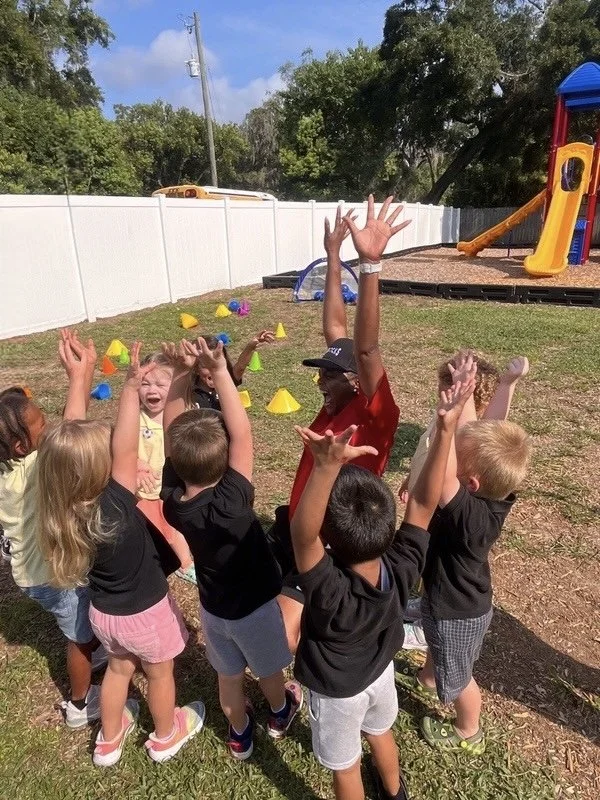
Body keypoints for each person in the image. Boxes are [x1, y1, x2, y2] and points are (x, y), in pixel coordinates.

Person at [290, 368, 477, 800]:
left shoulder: (328, 588)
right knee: (381, 734)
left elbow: (301, 535)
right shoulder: (403, 564)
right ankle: (395, 793)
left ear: (329, 538)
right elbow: (427, 502)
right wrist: (445, 429)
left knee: (347, 767)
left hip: (338, 694)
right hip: (380, 677)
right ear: (387, 521)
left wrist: (323, 469)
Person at [36, 342, 204, 767]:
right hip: (146, 613)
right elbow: (126, 447)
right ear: (102, 465)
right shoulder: (117, 501)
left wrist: (83, 377)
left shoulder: (61, 508)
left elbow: (67, 446)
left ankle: (108, 742)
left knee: (118, 669)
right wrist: (129, 388)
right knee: (159, 673)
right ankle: (167, 733)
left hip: (104, 616)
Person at [271, 197, 410, 651]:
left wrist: (369, 266)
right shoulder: (338, 398)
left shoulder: (374, 412)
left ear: (356, 380)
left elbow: (366, 350)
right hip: (304, 532)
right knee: (285, 626)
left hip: (337, 543)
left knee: (292, 638)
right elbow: (336, 326)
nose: (320, 382)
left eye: (330, 375)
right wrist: (333, 258)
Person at [160, 337, 301, 761]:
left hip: (214, 610)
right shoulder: (233, 504)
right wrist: (220, 371)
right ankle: (279, 710)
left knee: (228, 680)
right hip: (257, 609)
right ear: (225, 464)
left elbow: (173, 431)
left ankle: (239, 734)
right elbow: (242, 432)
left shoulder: (174, 501)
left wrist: (183, 374)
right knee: (270, 672)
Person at [416, 352, 531, 754]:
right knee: (440, 646)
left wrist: (449, 418)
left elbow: (444, 471)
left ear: (472, 481)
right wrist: (503, 386)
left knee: (460, 676)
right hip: (453, 599)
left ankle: (469, 729)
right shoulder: (493, 496)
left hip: (457, 611)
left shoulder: (467, 516)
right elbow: (484, 430)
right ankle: (431, 676)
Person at [0, 330, 105, 728]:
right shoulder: (34, 471)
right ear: (20, 448)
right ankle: (80, 705)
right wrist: (80, 375)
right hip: (50, 576)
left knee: (82, 612)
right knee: (78, 634)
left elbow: (66, 428)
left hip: (30, 573)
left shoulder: (8, 469)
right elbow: (74, 426)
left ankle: (92, 646)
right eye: (41, 425)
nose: (50, 427)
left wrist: (81, 376)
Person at [400, 353, 529, 498]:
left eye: (451, 398)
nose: (442, 404)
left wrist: (508, 384)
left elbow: (490, 423)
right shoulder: (441, 417)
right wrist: (410, 479)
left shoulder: (465, 441)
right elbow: (423, 456)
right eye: (440, 397)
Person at [136, 351, 196, 584]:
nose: (152, 390)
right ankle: (185, 564)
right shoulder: (136, 419)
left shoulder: (180, 416)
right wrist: (137, 464)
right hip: (148, 491)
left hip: (173, 485)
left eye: (161, 384)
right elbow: (123, 448)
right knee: (166, 530)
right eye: (145, 384)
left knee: (179, 525)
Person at [191, 330, 275, 410]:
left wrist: (251, 346)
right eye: (206, 365)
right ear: (195, 368)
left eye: (217, 364)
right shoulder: (189, 392)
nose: (213, 370)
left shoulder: (226, 382)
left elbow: (240, 367)